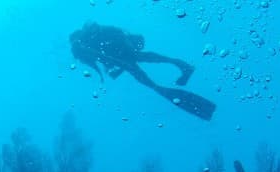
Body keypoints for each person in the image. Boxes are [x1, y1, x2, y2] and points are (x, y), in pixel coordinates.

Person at [70, 21, 216, 121]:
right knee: (144, 62)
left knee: (142, 66)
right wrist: (117, 69)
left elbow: (109, 55)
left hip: (123, 51)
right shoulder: (89, 45)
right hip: (123, 53)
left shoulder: (86, 43)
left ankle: (173, 76)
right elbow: (110, 59)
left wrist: (116, 68)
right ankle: (181, 68)